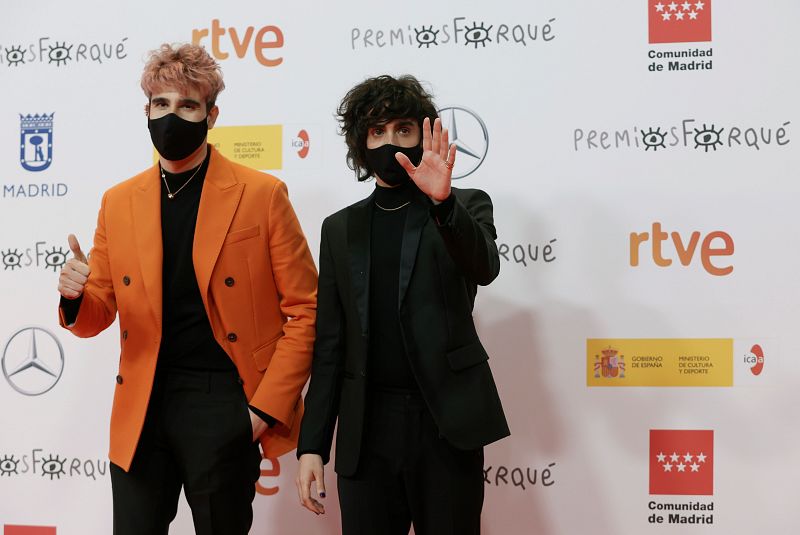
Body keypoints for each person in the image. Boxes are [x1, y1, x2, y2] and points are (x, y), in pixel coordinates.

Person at [56, 43, 317, 534]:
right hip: (142, 403)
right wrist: (74, 297)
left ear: (211, 115)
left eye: (188, 105)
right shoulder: (118, 201)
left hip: (223, 400)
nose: (172, 117)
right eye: (161, 105)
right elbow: (98, 313)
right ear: (146, 111)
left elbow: (305, 311)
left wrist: (262, 411)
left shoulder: (261, 194)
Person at [295, 75, 509, 535]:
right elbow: (330, 343)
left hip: (445, 424)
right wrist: (312, 444)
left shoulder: (463, 205)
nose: (390, 141)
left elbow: (485, 267)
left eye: (403, 129)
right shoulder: (339, 228)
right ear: (361, 142)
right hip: (366, 430)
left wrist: (444, 202)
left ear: (423, 135)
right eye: (376, 131)